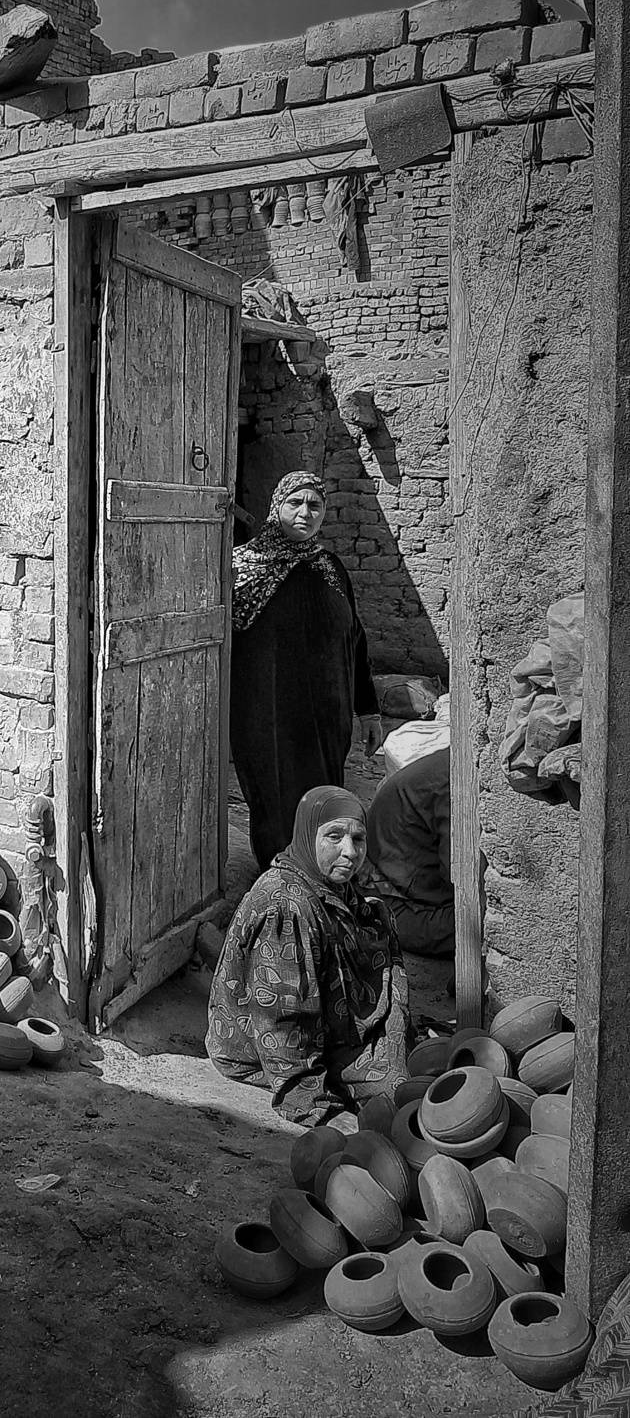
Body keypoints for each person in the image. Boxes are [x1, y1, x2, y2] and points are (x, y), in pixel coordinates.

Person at [206, 784, 411, 1127]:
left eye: (358, 839)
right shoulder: (286, 906)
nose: (350, 852)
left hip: (325, 1028)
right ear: (306, 835)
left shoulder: (330, 885)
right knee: (395, 1102)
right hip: (262, 1049)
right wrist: (315, 1105)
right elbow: (281, 1018)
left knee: (408, 1083)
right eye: (334, 836)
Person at [230, 470, 382, 870]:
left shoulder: (329, 566)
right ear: (276, 507)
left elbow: (355, 638)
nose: (305, 512)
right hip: (268, 717)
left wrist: (368, 710)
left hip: (326, 719)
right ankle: (280, 880)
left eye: (315, 505)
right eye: (295, 502)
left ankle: (321, 875)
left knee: (324, 799)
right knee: (275, 800)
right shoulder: (242, 568)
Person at [363, 747, 454, 957]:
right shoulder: (454, 782)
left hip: (396, 882)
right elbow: (459, 876)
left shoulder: (450, 766)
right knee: (490, 927)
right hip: (393, 899)